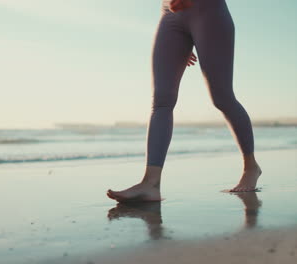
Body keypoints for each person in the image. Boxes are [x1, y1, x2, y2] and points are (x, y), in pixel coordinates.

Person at [107, 0, 262, 202]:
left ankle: (251, 167)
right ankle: (151, 183)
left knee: (222, 98)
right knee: (161, 100)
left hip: (208, 10)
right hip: (170, 12)